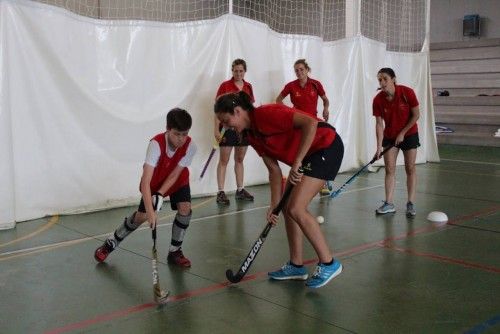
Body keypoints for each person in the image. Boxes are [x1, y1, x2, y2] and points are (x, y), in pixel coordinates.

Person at [214, 91, 344, 289]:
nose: (226, 126)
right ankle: (296, 265)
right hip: (309, 155)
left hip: (326, 145)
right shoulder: (251, 135)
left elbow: (311, 123)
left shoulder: (267, 114)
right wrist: (273, 205)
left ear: (238, 111)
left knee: (296, 208)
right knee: (285, 207)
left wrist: (298, 161)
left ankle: (329, 263)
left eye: (226, 120)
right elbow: (274, 171)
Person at [94, 108, 197, 267]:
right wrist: (150, 211)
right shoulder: (156, 144)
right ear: (168, 129)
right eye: (177, 134)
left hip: (177, 180)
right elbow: (145, 181)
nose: (181, 139)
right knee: (141, 217)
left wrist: (161, 195)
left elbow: (175, 175)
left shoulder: (191, 146)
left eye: (185, 134)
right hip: (153, 182)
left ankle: (175, 251)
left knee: (185, 209)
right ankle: (112, 242)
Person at [276, 58, 332, 195]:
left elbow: (325, 100)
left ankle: (324, 181)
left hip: (314, 123)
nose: (299, 72)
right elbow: (278, 100)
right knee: (301, 152)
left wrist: (326, 109)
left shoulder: (316, 84)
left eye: (301, 69)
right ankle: (301, 180)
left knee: (320, 151)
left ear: (307, 70)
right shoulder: (290, 86)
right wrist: (290, 113)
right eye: (296, 70)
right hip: (299, 125)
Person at [372, 67, 420, 218]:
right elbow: (379, 124)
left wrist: (403, 133)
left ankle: (410, 203)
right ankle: (389, 203)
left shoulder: (407, 93)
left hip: (410, 134)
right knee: (389, 169)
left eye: (385, 78)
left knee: (410, 168)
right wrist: (378, 147)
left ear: (393, 79)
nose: (382, 82)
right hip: (390, 136)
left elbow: (416, 115)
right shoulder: (378, 100)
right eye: (380, 79)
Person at [214, 58, 255, 205]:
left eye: (241, 71)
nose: (238, 73)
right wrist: (216, 131)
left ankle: (240, 190)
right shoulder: (225, 86)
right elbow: (218, 110)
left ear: (245, 71)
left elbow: (250, 110)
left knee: (239, 159)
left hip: (243, 129)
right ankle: (220, 192)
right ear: (232, 71)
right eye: (236, 70)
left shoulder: (248, 87)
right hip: (227, 129)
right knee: (224, 160)